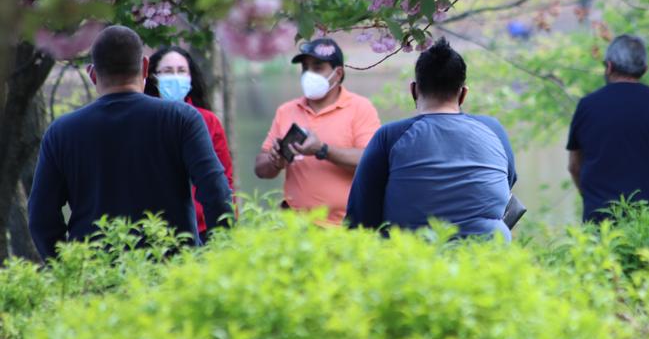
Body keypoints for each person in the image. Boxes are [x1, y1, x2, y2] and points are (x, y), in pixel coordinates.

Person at [28, 26, 233, 260]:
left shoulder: (61, 132)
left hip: (96, 277)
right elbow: (216, 192)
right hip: (173, 274)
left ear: (92, 74)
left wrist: (66, 269)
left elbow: (41, 217)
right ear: (145, 67)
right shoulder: (182, 119)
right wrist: (217, 257)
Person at [346, 38, 518, 239]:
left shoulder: (389, 137)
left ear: (414, 90)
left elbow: (360, 218)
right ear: (463, 94)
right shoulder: (493, 129)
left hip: (415, 261)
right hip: (487, 259)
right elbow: (508, 181)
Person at [256, 37, 381, 223]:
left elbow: (372, 162)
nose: (309, 74)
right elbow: (260, 169)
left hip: (345, 226)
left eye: (317, 67)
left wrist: (322, 150)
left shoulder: (360, 108)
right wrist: (275, 160)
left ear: (338, 74)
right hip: (294, 226)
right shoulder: (287, 111)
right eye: (305, 68)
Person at [566, 35, 649, 221]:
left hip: (602, 222)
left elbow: (574, 166)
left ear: (609, 66)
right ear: (644, 70)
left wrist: (590, 200)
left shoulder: (586, 106)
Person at [144, 46, 235, 242]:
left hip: (203, 230)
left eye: (181, 71)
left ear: (191, 77)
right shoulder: (142, 120)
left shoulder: (209, 121)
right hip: (154, 230)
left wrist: (227, 228)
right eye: (167, 71)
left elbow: (225, 179)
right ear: (153, 77)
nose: (175, 77)